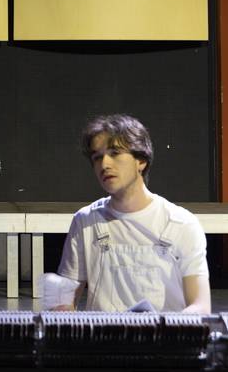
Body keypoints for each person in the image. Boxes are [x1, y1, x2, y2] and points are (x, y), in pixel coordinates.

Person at [49, 114, 211, 313]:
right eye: (97, 157)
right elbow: (63, 303)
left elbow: (201, 306)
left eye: (115, 153)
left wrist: (169, 325)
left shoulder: (181, 224)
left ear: (140, 161)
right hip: (104, 332)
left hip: (165, 332)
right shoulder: (86, 221)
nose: (104, 164)